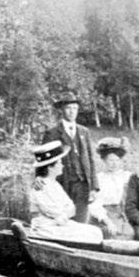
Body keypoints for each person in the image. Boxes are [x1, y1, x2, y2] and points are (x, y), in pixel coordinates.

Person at [28, 141, 103, 244]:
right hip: (45, 228)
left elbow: (71, 208)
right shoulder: (40, 186)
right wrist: (63, 215)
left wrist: (64, 215)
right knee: (89, 235)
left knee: (95, 231)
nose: (62, 166)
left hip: (59, 224)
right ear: (50, 167)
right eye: (59, 163)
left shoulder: (55, 184)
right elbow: (54, 211)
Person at [39, 92, 98, 222]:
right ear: (62, 110)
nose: (72, 112)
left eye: (75, 108)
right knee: (64, 220)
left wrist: (94, 187)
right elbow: (43, 160)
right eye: (68, 108)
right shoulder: (52, 133)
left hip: (83, 184)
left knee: (82, 222)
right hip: (62, 183)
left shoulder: (84, 132)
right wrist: (39, 177)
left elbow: (91, 159)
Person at [88, 137, 133, 239]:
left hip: (122, 214)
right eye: (110, 160)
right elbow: (94, 205)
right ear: (104, 160)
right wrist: (108, 222)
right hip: (104, 215)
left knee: (129, 233)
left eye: (117, 160)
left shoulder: (127, 176)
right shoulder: (98, 179)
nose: (114, 163)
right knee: (113, 233)